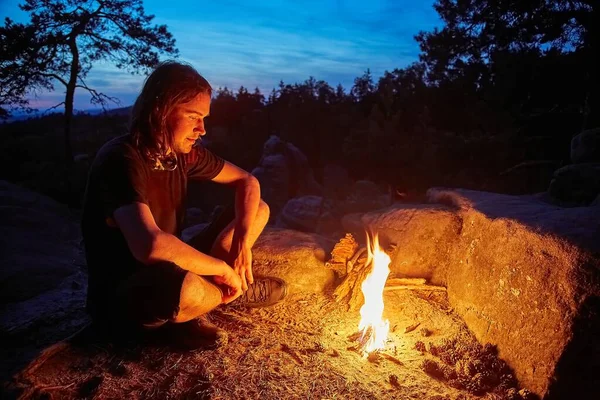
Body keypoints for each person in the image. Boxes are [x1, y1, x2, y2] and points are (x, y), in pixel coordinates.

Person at [81, 61, 287, 349]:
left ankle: (214, 298)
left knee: (257, 210)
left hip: (171, 267)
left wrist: (241, 246)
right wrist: (223, 269)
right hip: (129, 290)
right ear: (161, 110)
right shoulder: (122, 159)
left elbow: (248, 182)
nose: (201, 129)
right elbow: (150, 245)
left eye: (203, 118)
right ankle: (227, 294)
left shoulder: (180, 155)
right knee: (186, 287)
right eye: (193, 116)